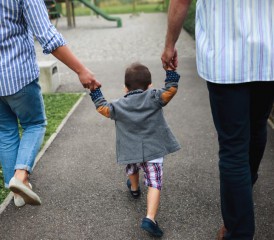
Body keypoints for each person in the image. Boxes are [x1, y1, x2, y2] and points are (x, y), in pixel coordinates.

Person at [161, 0, 274, 239]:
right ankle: (241, 199)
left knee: (234, 149)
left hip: (226, 57)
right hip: (268, 53)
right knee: (256, 130)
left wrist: (169, 44)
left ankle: (238, 232)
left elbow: (181, 2)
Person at [0, 0, 101, 208]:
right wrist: (81, 69)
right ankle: (20, 176)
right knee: (35, 123)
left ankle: (18, 191)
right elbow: (47, 35)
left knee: (5, 131)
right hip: (17, 75)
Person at [89, 62, 181, 237]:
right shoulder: (154, 96)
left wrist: (95, 92)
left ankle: (134, 188)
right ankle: (150, 218)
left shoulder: (118, 105)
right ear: (150, 86)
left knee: (132, 167)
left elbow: (102, 107)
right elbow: (171, 90)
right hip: (153, 149)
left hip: (130, 150)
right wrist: (171, 72)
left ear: (125, 88)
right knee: (154, 182)